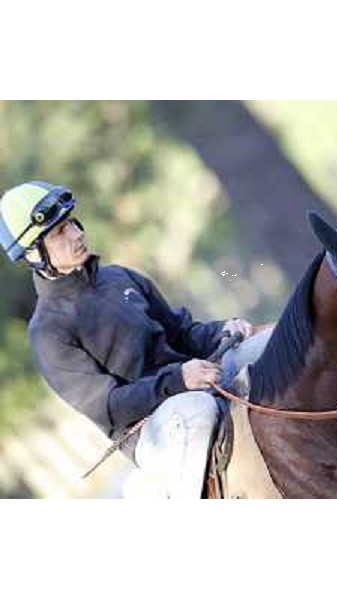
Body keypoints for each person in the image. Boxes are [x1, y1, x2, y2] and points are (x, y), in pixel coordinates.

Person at [0, 180, 256, 498]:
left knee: (258, 351)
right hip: (151, 428)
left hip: (193, 382)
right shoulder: (48, 332)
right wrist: (178, 379)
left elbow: (181, 333)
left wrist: (222, 330)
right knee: (199, 410)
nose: (77, 235)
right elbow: (109, 407)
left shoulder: (120, 276)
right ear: (33, 254)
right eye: (59, 232)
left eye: (72, 223)